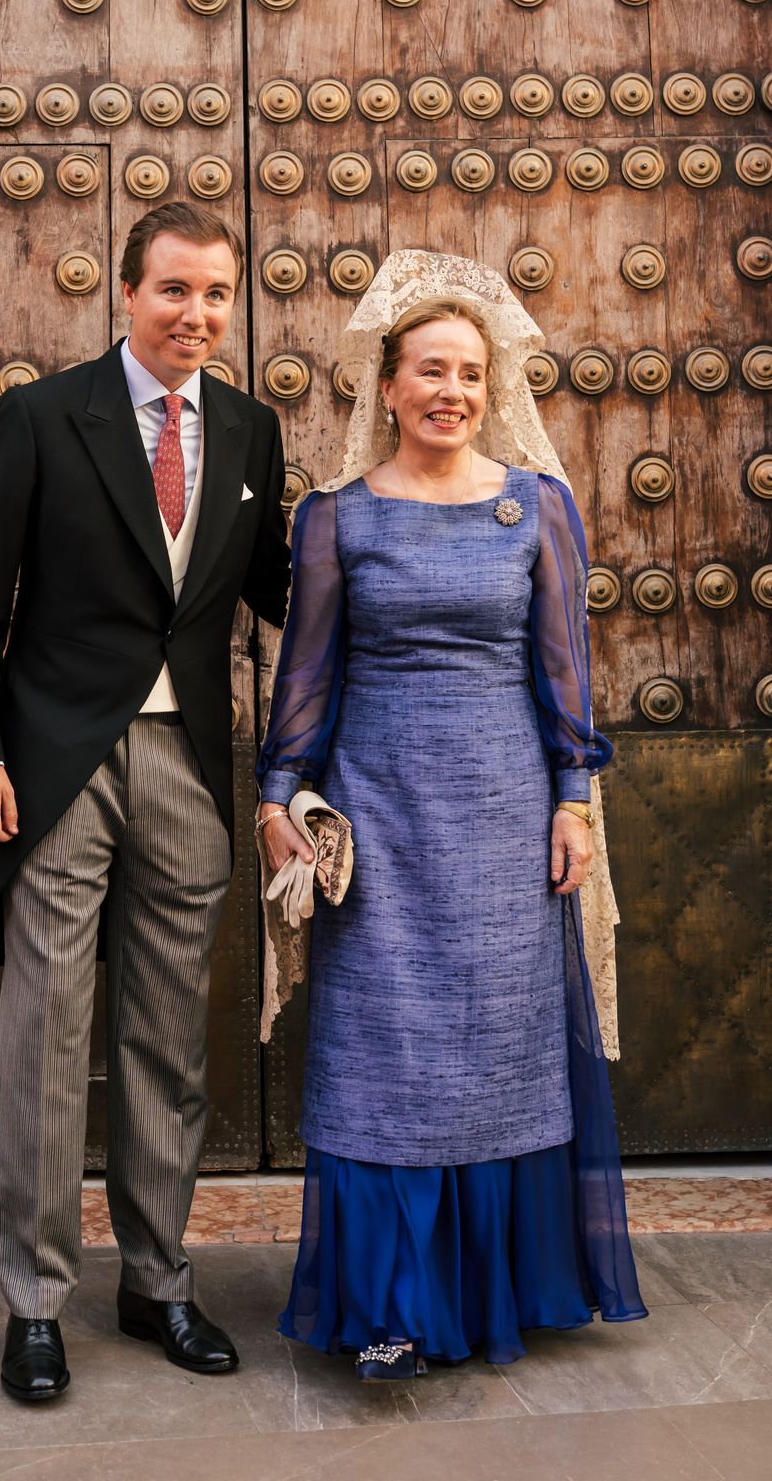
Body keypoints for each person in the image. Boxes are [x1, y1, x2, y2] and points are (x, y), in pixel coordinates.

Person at [256, 249, 647, 1379]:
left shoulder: (538, 507)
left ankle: (492, 1296)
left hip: (505, 818)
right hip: (379, 819)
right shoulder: (335, 518)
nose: (452, 392)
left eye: (471, 374)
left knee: (499, 1047)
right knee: (381, 1053)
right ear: (387, 386)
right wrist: (280, 794)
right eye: (431, 370)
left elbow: (564, 671)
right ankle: (389, 1310)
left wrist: (573, 801)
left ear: (493, 388)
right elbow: (307, 677)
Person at [0, 201, 290, 1402]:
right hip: (58, 768)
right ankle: (36, 1302)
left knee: (166, 1038)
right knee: (46, 1036)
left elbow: (284, 589)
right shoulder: (45, 417)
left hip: (189, 763)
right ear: (128, 293)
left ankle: (157, 1281)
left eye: (216, 294)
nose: (197, 314)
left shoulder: (250, 431)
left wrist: (423, 536)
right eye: (174, 289)